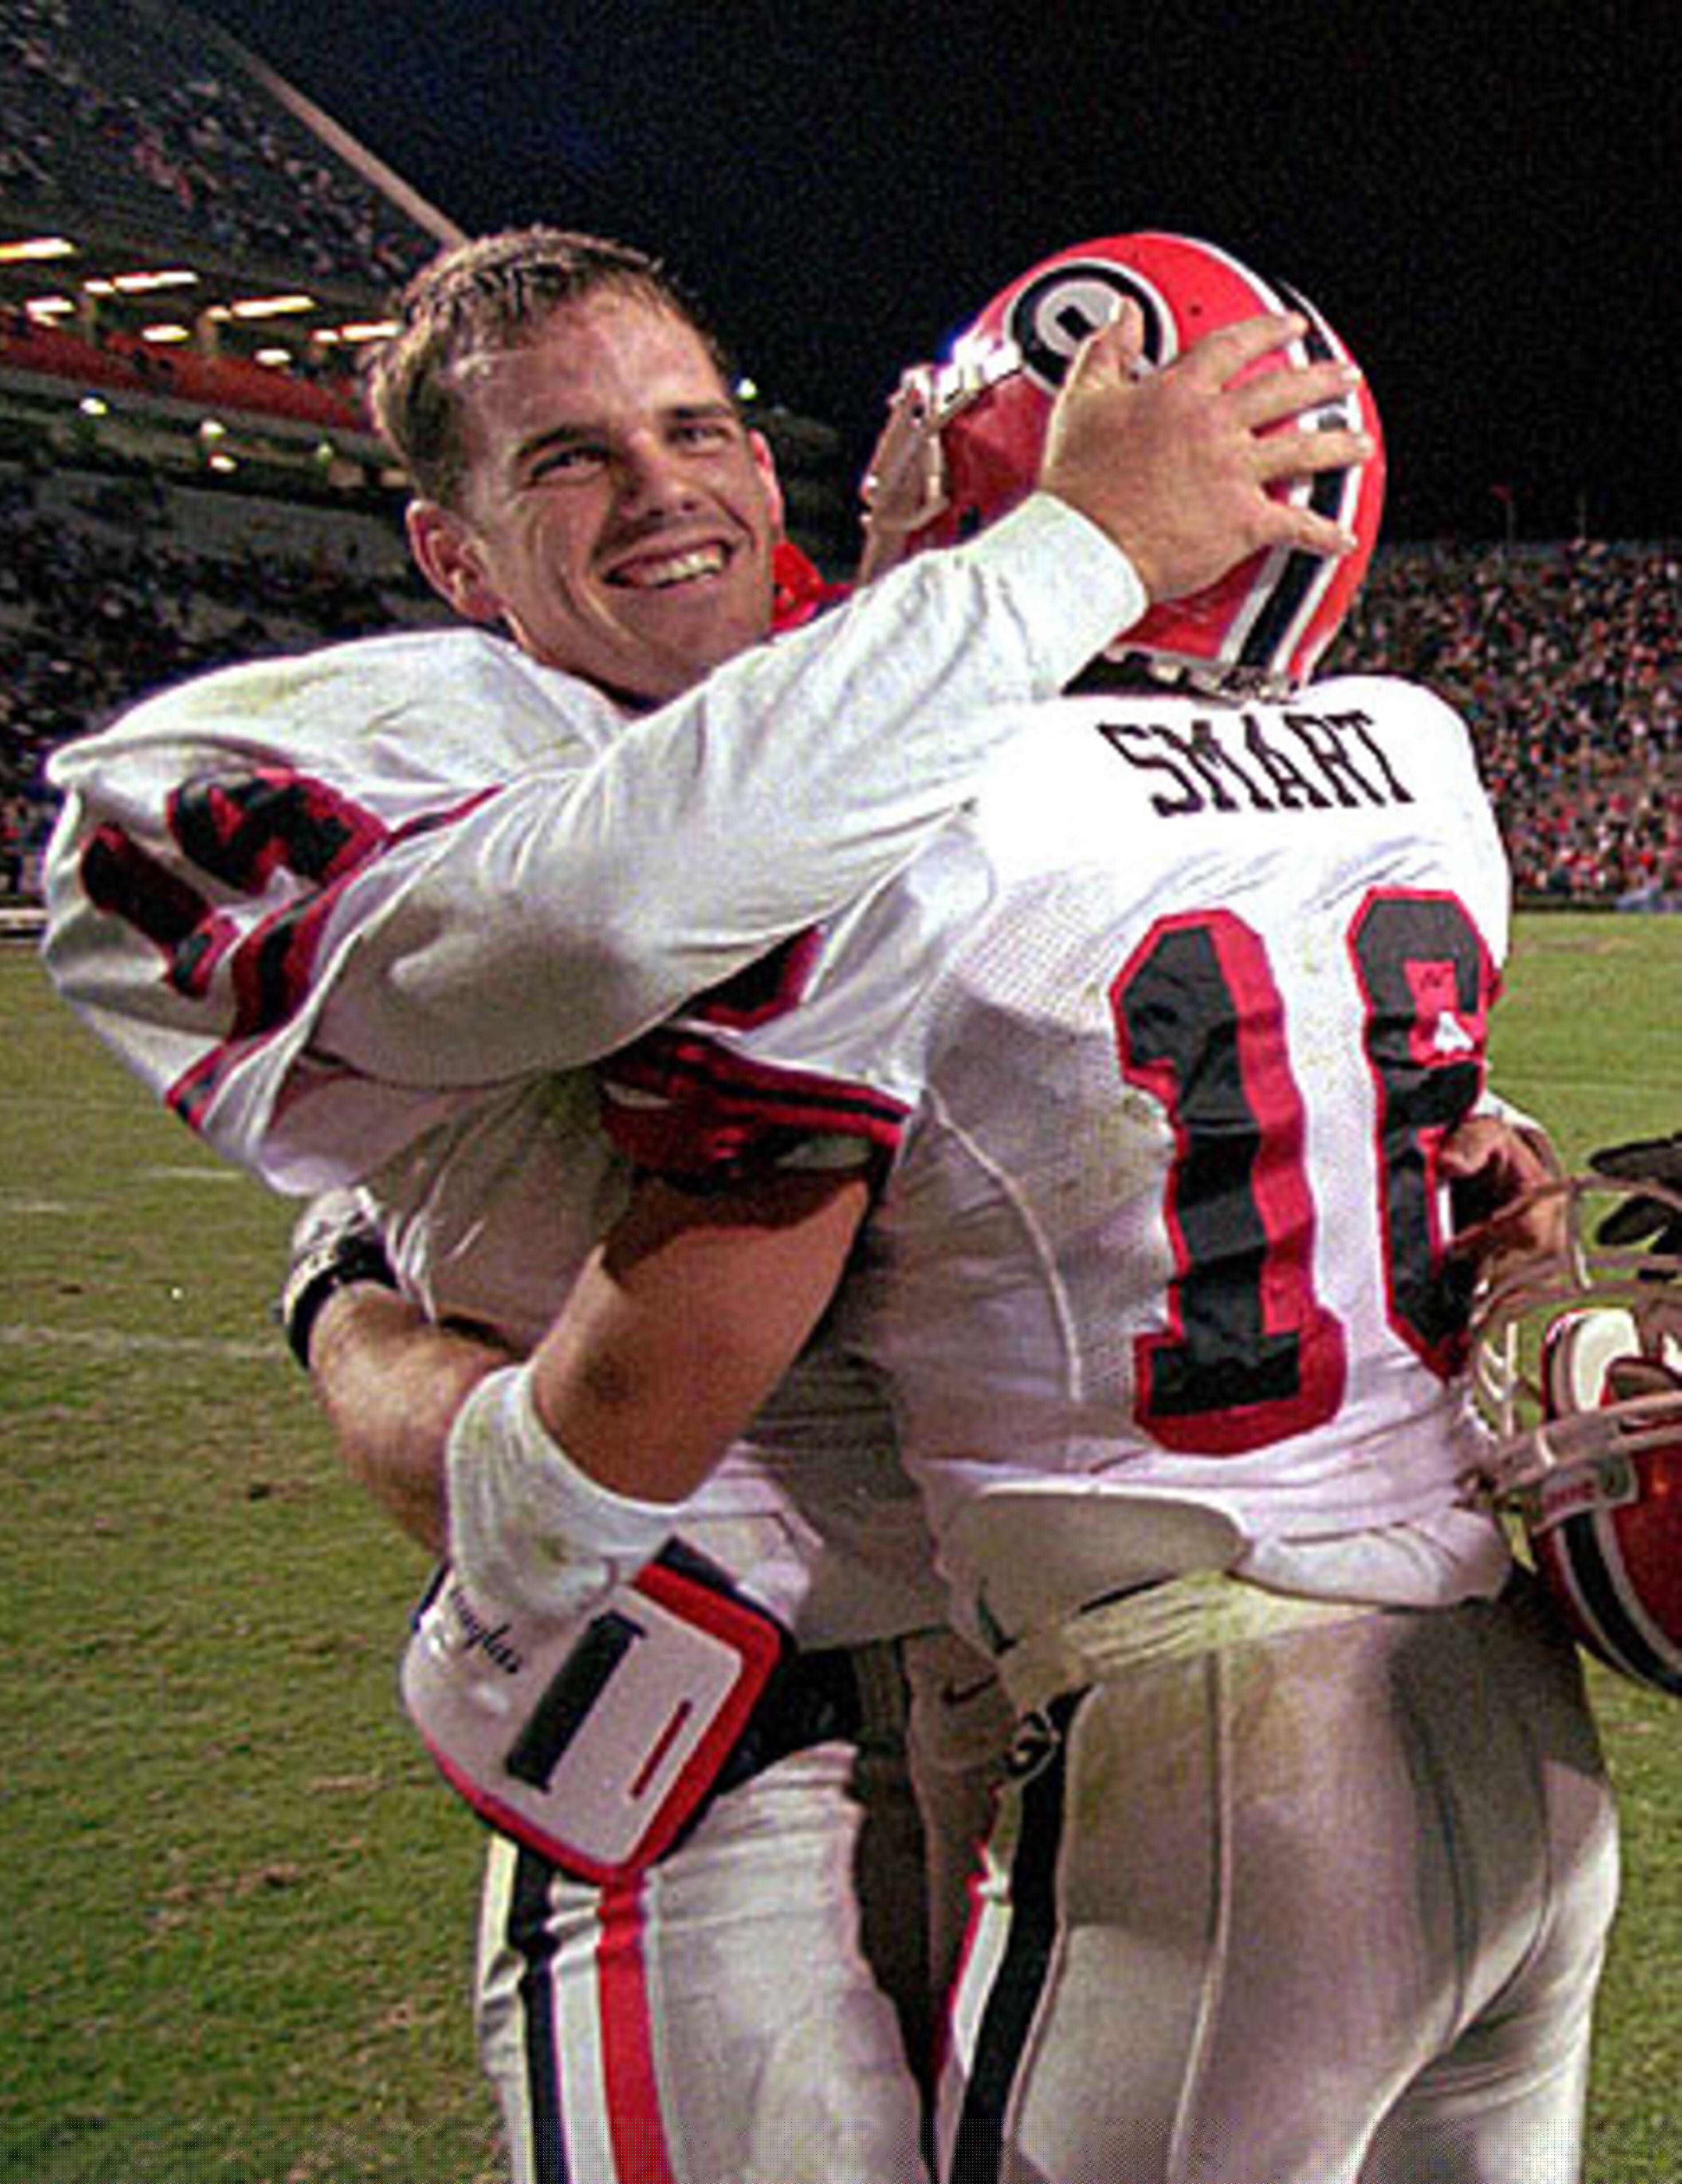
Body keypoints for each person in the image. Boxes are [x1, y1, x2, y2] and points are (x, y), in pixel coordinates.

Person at [40, 224, 1377, 2184]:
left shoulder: (950, 695)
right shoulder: (353, 746)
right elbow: (612, 898)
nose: (663, 484)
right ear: (455, 556)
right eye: (567, 457)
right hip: (713, 1725)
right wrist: (1064, 551)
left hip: (1077, 1709)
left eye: (698, 426)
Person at [438, 235, 1621, 2184]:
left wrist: (926, 588)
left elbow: (664, 959)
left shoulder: (917, 805)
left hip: (1210, 1726)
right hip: (1506, 1706)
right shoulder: (1422, 757)